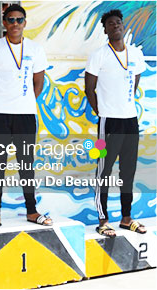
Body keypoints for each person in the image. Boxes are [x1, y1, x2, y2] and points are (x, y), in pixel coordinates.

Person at [0, 4, 52, 231]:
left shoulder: (35, 49)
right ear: (4, 23)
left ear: (25, 22)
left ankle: (32, 211)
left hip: (26, 115)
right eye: (11, 20)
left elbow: (38, 82)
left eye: (20, 20)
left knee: (26, 164)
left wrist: (25, 100)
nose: (15, 24)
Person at [85, 9, 147, 237]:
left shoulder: (135, 54)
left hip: (130, 121)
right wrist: (101, 111)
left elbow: (135, 80)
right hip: (107, 123)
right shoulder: (99, 55)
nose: (115, 26)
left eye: (118, 23)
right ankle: (103, 220)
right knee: (103, 170)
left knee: (128, 171)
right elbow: (88, 88)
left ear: (123, 25)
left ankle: (126, 218)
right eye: (110, 24)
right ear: (105, 29)